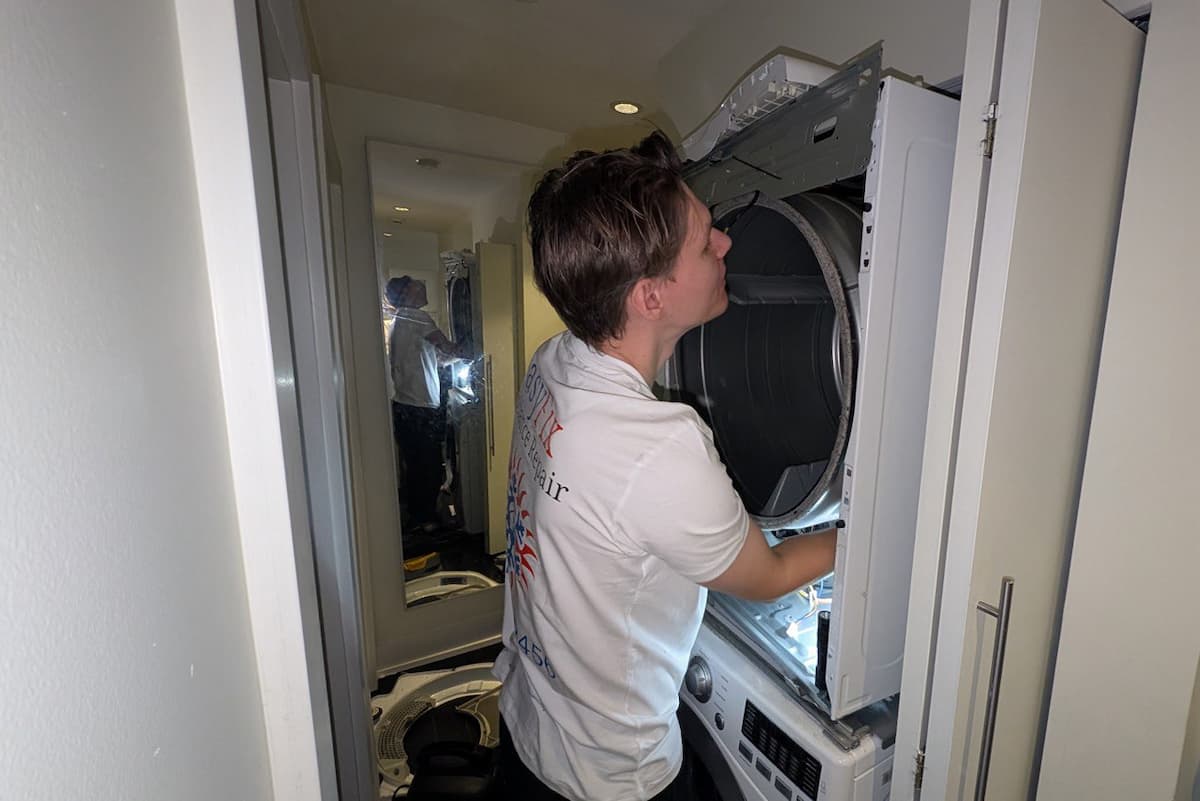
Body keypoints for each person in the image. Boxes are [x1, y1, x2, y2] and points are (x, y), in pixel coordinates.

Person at [493, 132, 838, 801]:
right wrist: (859, 538)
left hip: (529, 717)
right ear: (650, 297)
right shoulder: (659, 445)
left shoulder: (554, 360)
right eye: (706, 240)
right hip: (607, 777)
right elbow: (767, 577)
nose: (726, 245)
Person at [385, 275, 470, 533]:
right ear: (408, 292)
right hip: (419, 408)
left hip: (404, 405)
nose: (422, 285)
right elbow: (449, 348)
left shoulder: (401, 319)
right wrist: (472, 344)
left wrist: (453, 359)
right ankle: (426, 523)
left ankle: (417, 517)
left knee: (416, 465)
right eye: (416, 283)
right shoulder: (418, 318)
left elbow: (433, 358)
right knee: (429, 466)